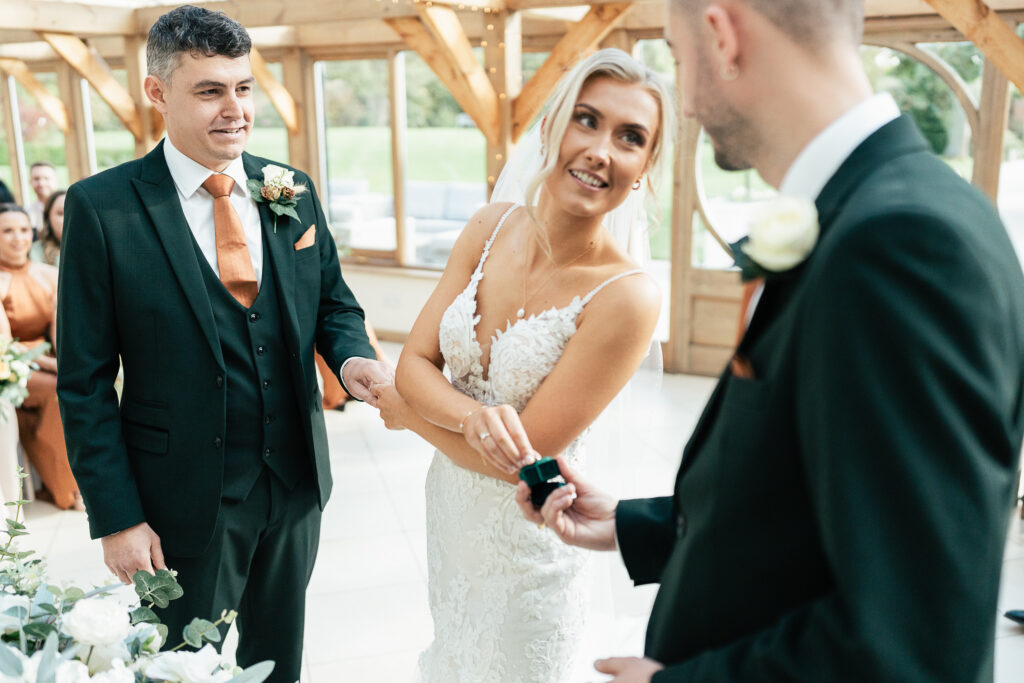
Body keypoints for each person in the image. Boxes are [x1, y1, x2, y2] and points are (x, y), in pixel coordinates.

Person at [517, 1, 1024, 681]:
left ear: (722, 36)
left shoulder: (900, 242)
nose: (686, 97)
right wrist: (643, 525)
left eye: (677, 52)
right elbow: (833, 511)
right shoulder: (881, 209)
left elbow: (915, 646)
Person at [56, 7, 391, 681]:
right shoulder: (102, 208)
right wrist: (116, 518)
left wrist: (355, 360)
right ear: (157, 93)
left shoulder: (289, 189)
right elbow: (84, 381)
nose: (234, 109)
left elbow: (332, 304)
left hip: (295, 489)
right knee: (177, 668)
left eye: (243, 87)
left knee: (277, 664)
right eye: (210, 90)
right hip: (174, 504)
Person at [373, 49, 673, 682]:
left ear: (644, 167)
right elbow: (414, 365)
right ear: (548, 128)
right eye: (586, 120)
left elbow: (519, 460)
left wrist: (413, 415)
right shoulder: (487, 227)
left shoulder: (627, 296)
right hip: (450, 518)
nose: (601, 150)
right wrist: (469, 413)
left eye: (630, 138)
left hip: (526, 547)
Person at [0, 204, 81, 511]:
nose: (17, 238)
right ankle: (67, 489)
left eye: (23, 230)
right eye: (7, 231)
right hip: (12, 365)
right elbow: (5, 343)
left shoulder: (48, 274)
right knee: (55, 392)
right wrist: (55, 367)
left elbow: (62, 329)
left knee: (81, 387)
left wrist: (70, 365)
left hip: (49, 361)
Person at [30, 190, 65, 267]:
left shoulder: (92, 247)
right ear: (48, 218)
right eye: (61, 213)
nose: (68, 218)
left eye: (73, 213)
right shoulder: (36, 251)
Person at [27, 162, 57, 231]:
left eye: (46, 178)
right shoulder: (28, 213)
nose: (41, 183)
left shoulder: (69, 207)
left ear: (56, 181)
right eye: (36, 179)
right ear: (30, 182)